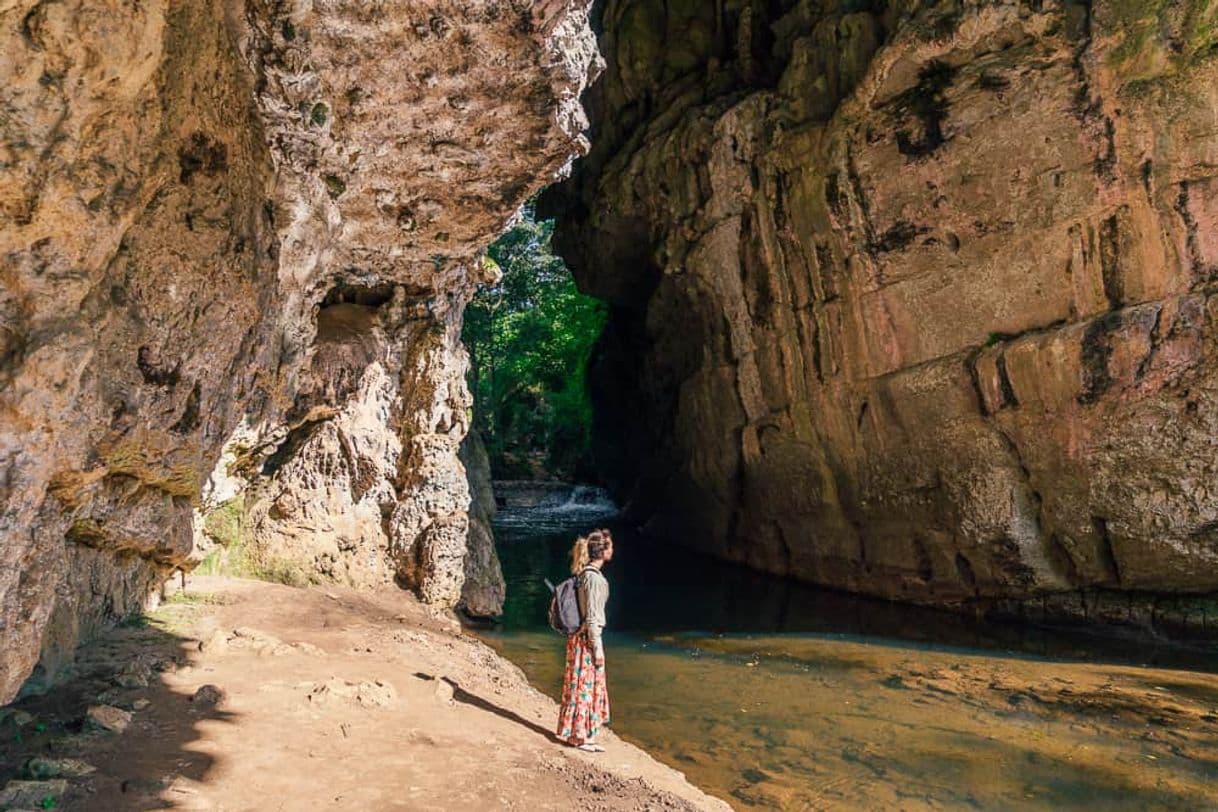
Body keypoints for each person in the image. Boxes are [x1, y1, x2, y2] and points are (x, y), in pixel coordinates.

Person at [556, 528, 613, 752]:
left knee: (578, 685)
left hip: (578, 638)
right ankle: (580, 737)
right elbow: (592, 617)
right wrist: (598, 648)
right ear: (604, 551)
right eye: (611, 545)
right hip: (587, 640)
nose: (613, 549)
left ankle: (579, 734)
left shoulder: (584, 574)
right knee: (585, 687)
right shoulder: (594, 579)